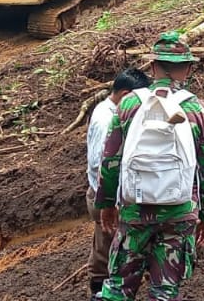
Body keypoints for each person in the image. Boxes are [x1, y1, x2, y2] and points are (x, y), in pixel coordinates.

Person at [94, 31, 204, 301]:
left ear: (153, 67)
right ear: (187, 69)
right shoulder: (199, 111)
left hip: (135, 212)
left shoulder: (129, 104)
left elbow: (111, 159)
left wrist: (105, 203)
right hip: (179, 214)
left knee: (118, 288)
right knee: (164, 291)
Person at [85, 68, 152, 300]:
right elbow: (100, 163)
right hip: (105, 195)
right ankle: (100, 291)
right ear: (125, 94)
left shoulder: (108, 111)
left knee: (106, 243)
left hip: (104, 192)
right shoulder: (107, 120)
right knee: (107, 248)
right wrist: (109, 199)